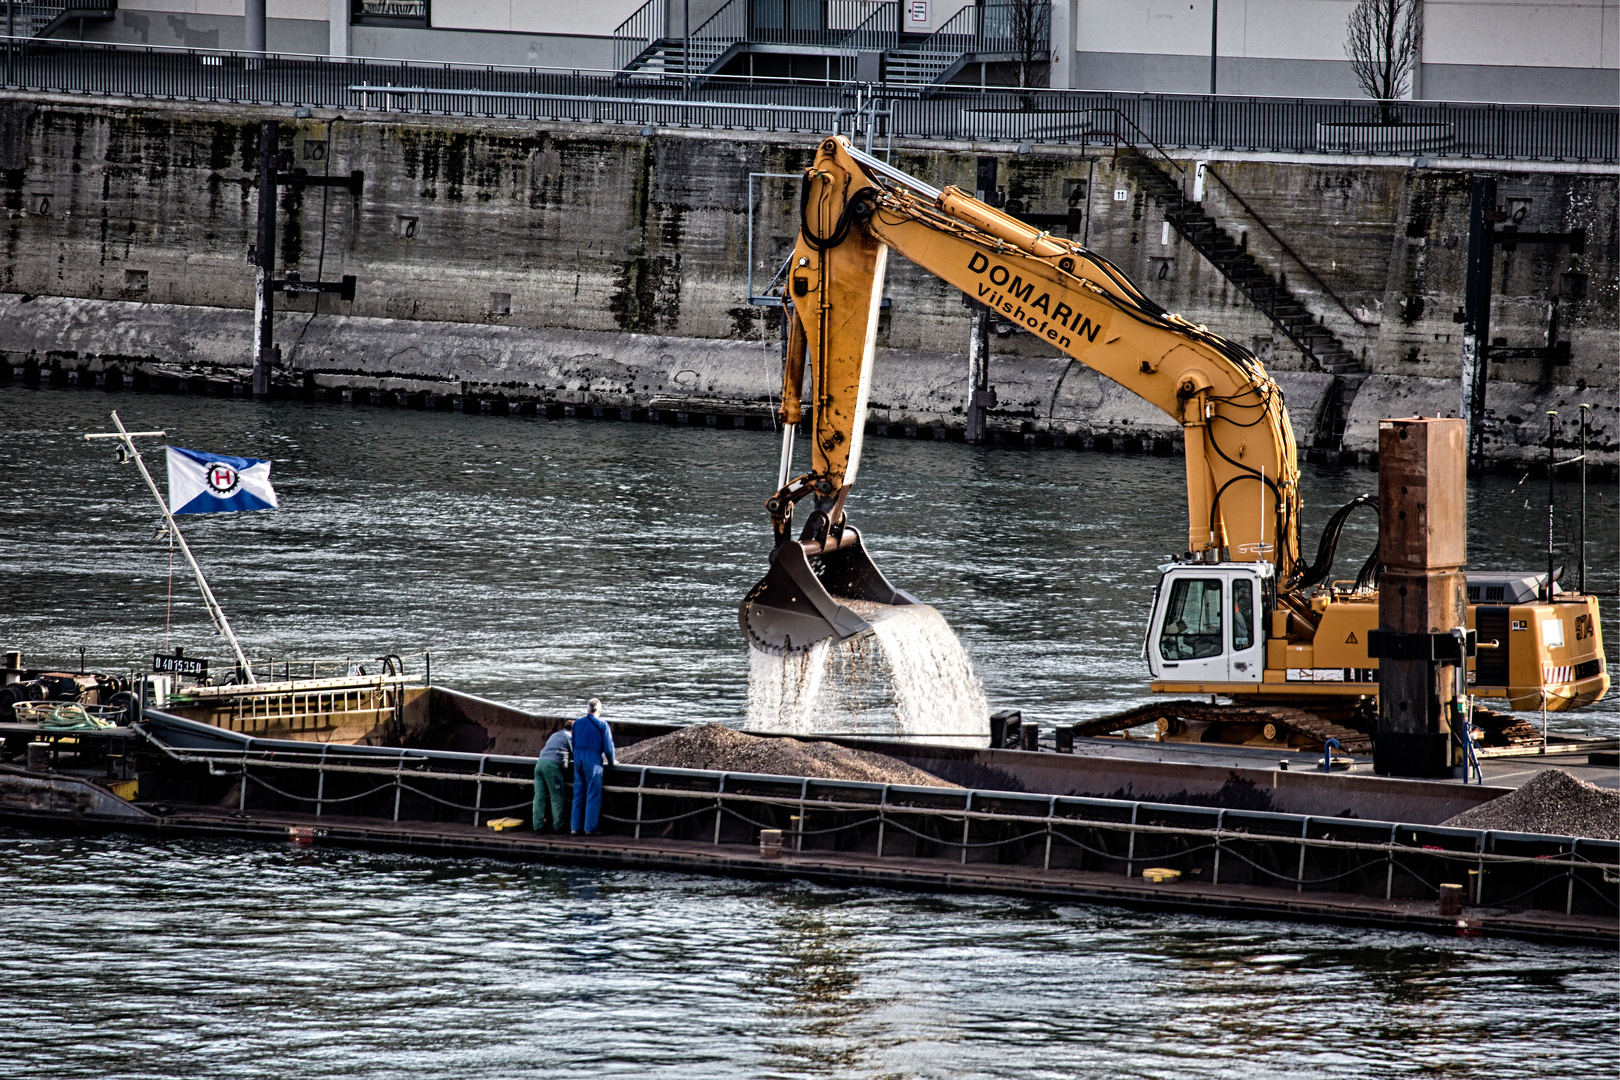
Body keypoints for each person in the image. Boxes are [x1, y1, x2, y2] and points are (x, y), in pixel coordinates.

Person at [570, 698, 615, 835]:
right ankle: (590, 828)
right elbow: (608, 748)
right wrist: (612, 762)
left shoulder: (577, 723)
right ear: (599, 710)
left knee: (578, 794)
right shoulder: (602, 725)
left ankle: (574, 827)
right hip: (593, 761)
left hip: (578, 760)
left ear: (587, 709)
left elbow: (573, 742)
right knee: (593, 794)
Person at [531, 719, 572, 833]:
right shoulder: (570, 737)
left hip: (540, 764)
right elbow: (576, 752)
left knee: (539, 797)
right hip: (553, 767)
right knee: (557, 796)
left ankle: (537, 826)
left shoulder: (555, 735)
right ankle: (559, 826)